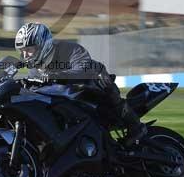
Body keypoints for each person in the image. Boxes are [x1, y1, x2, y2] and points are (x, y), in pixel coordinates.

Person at [14, 22, 146, 147]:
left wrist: (55, 76)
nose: (25, 55)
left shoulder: (71, 49)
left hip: (90, 84)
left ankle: (136, 127)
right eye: (22, 51)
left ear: (42, 44)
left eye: (29, 49)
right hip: (65, 97)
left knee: (104, 85)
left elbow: (81, 71)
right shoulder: (34, 67)